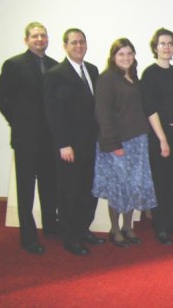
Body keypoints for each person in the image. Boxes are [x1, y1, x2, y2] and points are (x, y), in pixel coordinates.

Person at [0, 22, 58, 254]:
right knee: (26, 189)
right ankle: (28, 237)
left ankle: (51, 227)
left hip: (50, 139)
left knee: (50, 186)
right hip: (26, 139)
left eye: (43, 35)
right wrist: (18, 122)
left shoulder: (54, 66)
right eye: (35, 36)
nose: (40, 39)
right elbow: (1, 98)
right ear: (26, 40)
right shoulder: (14, 65)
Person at [44, 28, 104, 256]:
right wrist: (63, 144)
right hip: (69, 146)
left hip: (91, 144)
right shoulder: (55, 74)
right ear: (65, 46)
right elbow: (53, 112)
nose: (79, 46)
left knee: (88, 191)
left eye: (82, 41)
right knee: (69, 192)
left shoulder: (92, 70)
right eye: (74, 42)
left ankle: (83, 230)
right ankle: (70, 237)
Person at [92, 38, 157, 247]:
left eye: (129, 53)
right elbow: (103, 114)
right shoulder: (107, 79)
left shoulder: (134, 78)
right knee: (118, 188)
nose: (126, 58)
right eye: (121, 54)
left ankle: (128, 227)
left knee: (133, 187)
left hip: (138, 142)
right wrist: (114, 144)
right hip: (118, 144)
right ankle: (115, 229)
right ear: (113, 57)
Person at [141, 28, 173, 245]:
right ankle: (160, 227)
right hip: (161, 134)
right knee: (160, 182)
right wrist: (162, 139)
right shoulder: (150, 74)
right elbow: (150, 109)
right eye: (162, 43)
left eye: (170, 43)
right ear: (155, 47)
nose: (167, 47)